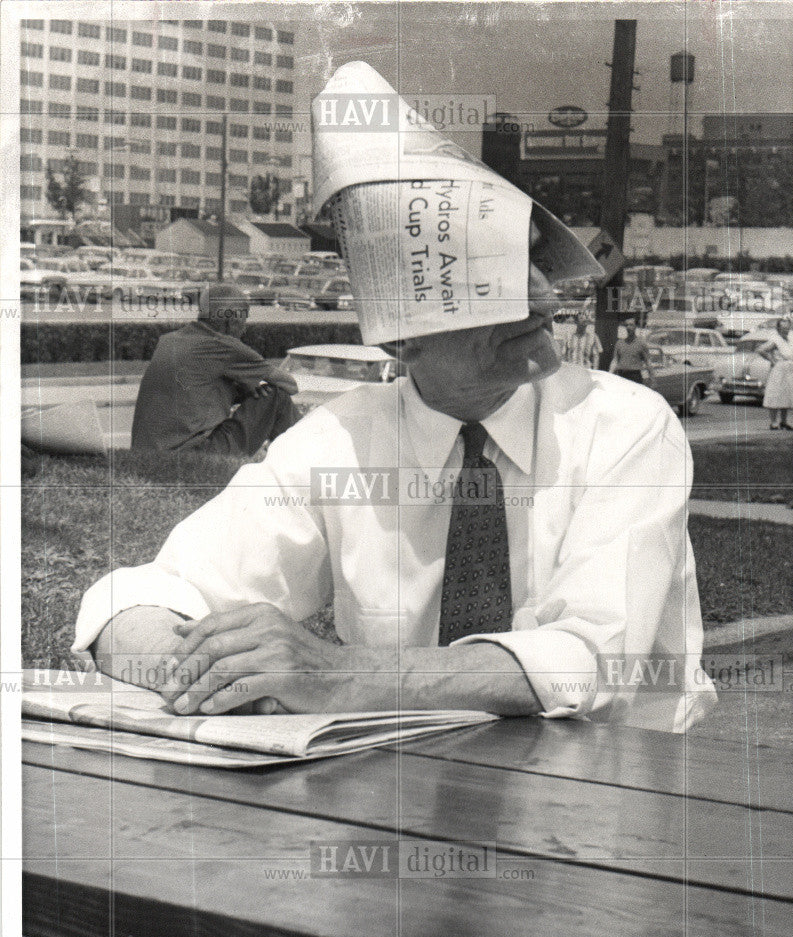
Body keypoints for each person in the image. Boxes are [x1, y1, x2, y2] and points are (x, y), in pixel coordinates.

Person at [73, 62, 716, 735]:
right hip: (404, 789)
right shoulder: (337, 443)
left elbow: (590, 660)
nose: (546, 297)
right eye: (486, 282)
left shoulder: (627, 426)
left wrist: (334, 678)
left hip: (626, 790)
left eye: (531, 261)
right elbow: (145, 595)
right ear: (397, 341)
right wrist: (206, 673)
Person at [130, 282, 299, 456]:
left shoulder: (169, 340)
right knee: (276, 396)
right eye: (244, 319)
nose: (245, 328)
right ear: (232, 320)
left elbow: (196, 394)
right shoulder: (224, 345)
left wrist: (244, 390)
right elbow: (291, 385)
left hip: (149, 453)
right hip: (194, 452)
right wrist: (254, 387)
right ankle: (311, 459)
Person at [758, 316, 793, 430]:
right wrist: (772, 360)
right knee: (775, 394)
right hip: (779, 369)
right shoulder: (775, 340)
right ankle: (773, 422)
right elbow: (761, 350)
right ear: (778, 329)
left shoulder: (790, 340)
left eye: (787, 328)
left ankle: (783, 421)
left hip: (790, 369)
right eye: (783, 328)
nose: (786, 330)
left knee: (787, 395)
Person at [609, 318, 655, 384]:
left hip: (635, 376)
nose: (628, 327)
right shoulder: (619, 343)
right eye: (626, 325)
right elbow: (615, 360)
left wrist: (652, 379)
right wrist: (610, 374)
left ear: (635, 326)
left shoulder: (641, 343)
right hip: (621, 376)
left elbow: (648, 361)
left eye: (631, 325)